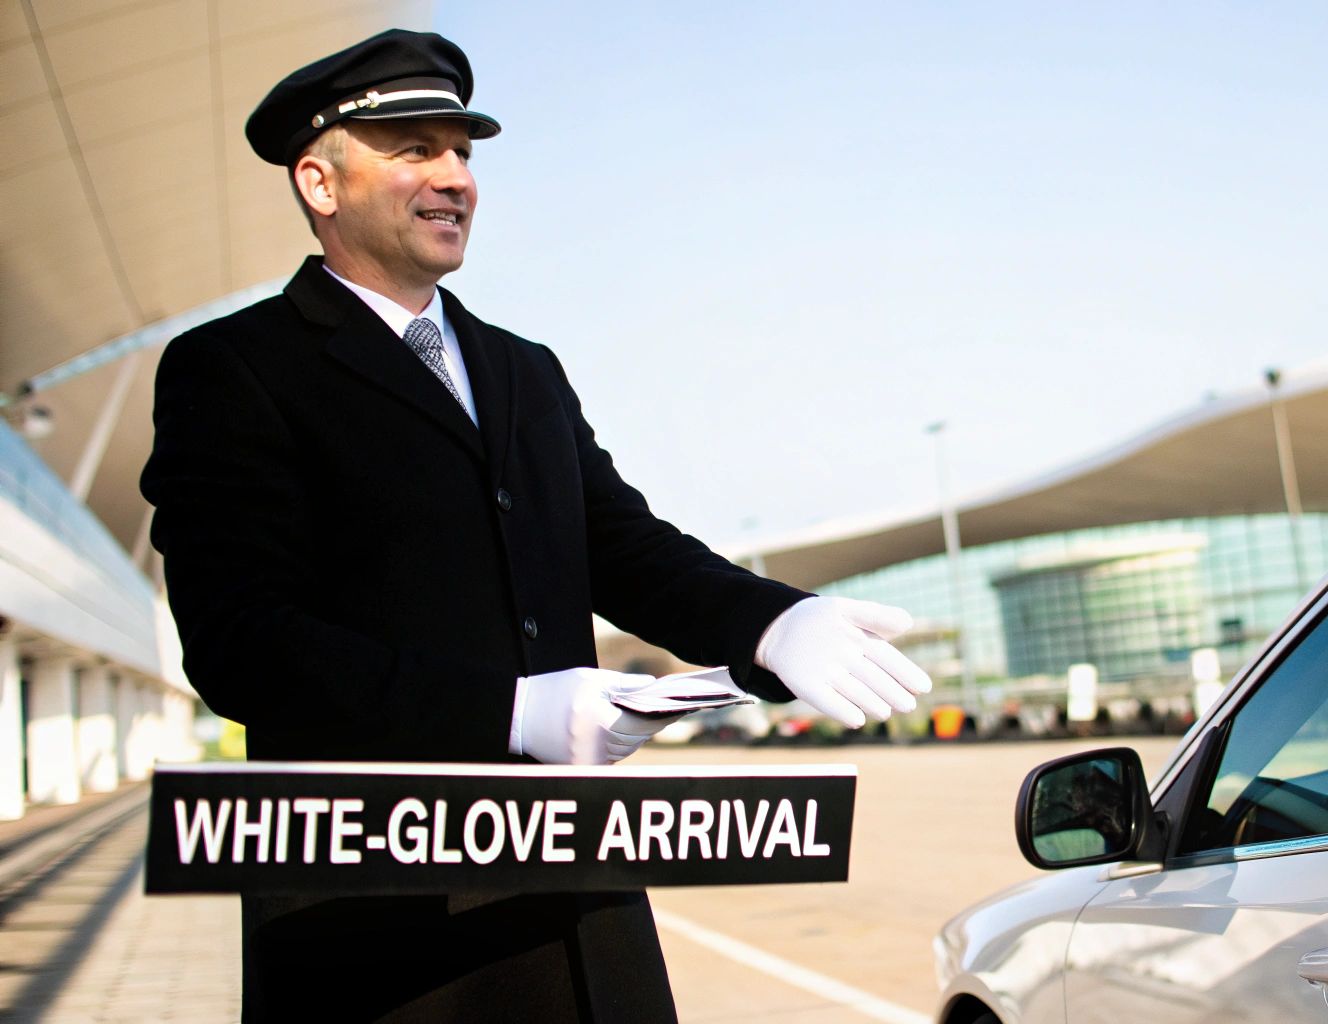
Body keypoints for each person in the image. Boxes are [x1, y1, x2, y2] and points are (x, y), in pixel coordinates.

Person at [139, 28, 931, 1023]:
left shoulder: (524, 368)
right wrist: (508, 714)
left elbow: (621, 546)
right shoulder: (235, 368)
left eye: (462, 151)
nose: (455, 177)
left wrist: (772, 622)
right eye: (415, 149)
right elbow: (241, 642)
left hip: (579, 912)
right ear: (319, 183)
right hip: (384, 937)